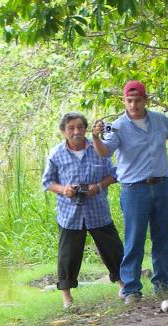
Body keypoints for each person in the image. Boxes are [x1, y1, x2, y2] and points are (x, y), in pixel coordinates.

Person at [92, 80, 168, 304]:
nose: (133, 105)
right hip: (134, 189)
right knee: (134, 240)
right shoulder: (117, 126)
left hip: (161, 186)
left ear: (145, 100)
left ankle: (162, 285)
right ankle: (131, 289)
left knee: (162, 239)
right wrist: (95, 137)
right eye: (129, 101)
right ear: (124, 101)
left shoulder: (159, 120)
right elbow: (104, 152)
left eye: (137, 100)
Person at [42, 112, 124, 309]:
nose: (76, 132)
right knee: (67, 254)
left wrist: (98, 186)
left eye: (80, 127)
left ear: (85, 129)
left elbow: (114, 174)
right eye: (71, 128)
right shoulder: (56, 154)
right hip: (69, 213)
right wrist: (64, 190)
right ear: (63, 132)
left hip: (97, 209)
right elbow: (47, 182)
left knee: (112, 249)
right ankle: (67, 298)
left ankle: (124, 285)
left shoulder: (98, 149)